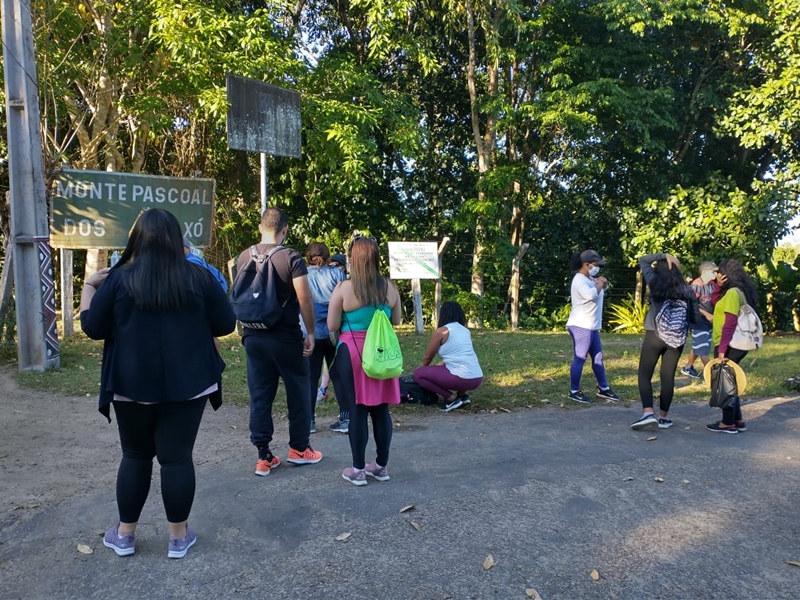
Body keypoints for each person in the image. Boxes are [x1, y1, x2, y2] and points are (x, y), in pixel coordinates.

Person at [80, 208, 236, 559]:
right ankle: (178, 539)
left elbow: (92, 327)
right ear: (177, 239)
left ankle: (124, 536)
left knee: (135, 455)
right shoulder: (199, 278)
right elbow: (226, 324)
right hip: (189, 383)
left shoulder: (120, 279)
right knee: (177, 459)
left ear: (137, 240)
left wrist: (90, 284)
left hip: (130, 384)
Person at [236, 207, 322, 477]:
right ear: (284, 230)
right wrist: (310, 332)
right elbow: (305, 298)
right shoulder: (291, 257)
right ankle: (299, 448)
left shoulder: (243, 256)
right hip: (284, 337)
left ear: (260, 227)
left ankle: (263, 456)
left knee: (260, 395)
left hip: (252, 335)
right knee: (298, 389)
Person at [327, 236, 402, 486]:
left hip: (354, 352)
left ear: (353, 259)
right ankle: (381, 466)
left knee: (357, 409)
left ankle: (358, 469)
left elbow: (332, 325)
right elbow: (397, 320)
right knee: (381, 409)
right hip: (381, 352)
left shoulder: (344, 289)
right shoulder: (389, 288)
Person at [630, 253, 699, 430]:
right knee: (667, 377)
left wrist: (664, 256)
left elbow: (643, 260)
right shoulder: (687, 290)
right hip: (677, 339)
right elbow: (695, 317)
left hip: (655, 334)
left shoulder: (655, 282)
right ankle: (663, 417)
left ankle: (647, 413)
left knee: (645, 374)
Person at [706, 258, 758, 434]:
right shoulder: (734, 292)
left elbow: (729, 323)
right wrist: (718, 286)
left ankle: (727, 423)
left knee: (725, 382)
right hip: (733, 343)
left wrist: (721, 350)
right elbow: (714, 304)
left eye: (719, 272)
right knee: (731, 381)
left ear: (726, 274)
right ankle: (738, 420)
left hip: (728, 343)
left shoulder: (732, 294)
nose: (717, 274)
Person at [304, 242, 350, 434]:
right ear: (328, 256)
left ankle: (309, 422)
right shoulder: (337, 274)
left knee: (310, 377)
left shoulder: (303, 274)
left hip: (311, 331)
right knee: (339, 376)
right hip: (334, 331)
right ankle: (346, 418)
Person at [565, 249, 619, 403]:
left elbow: (599, 289)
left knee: (598, 358)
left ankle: (604, 388)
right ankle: (574, 391)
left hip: (591, 326)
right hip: (581, 325)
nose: (598, 268)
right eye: (596, 265)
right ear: (586, 264)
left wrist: (604, 284)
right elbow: (590, 295)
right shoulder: (579, 280)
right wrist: (600, 284)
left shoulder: (589, 279)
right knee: (580, 357)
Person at [414, 300, 483, 412]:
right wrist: (439, 366)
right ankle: (463, 395)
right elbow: (458, 355)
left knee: (419, 374)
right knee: (448, 368)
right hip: (477, 377)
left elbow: (428, 356)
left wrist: (423, 368)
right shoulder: (465, 331)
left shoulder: (442, 331)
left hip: (462, 379)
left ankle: (451, 399)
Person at [680, 261, 717, 378]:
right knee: (703, 350)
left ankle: (688, 367)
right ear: (705, 272)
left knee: (700, 345)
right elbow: (691, 305)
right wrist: (706, 314)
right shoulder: (696, 286)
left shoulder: (712, 285)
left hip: (709, 322)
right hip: (699, 321)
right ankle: (712, 375)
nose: (716, 273)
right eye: (714, 271)